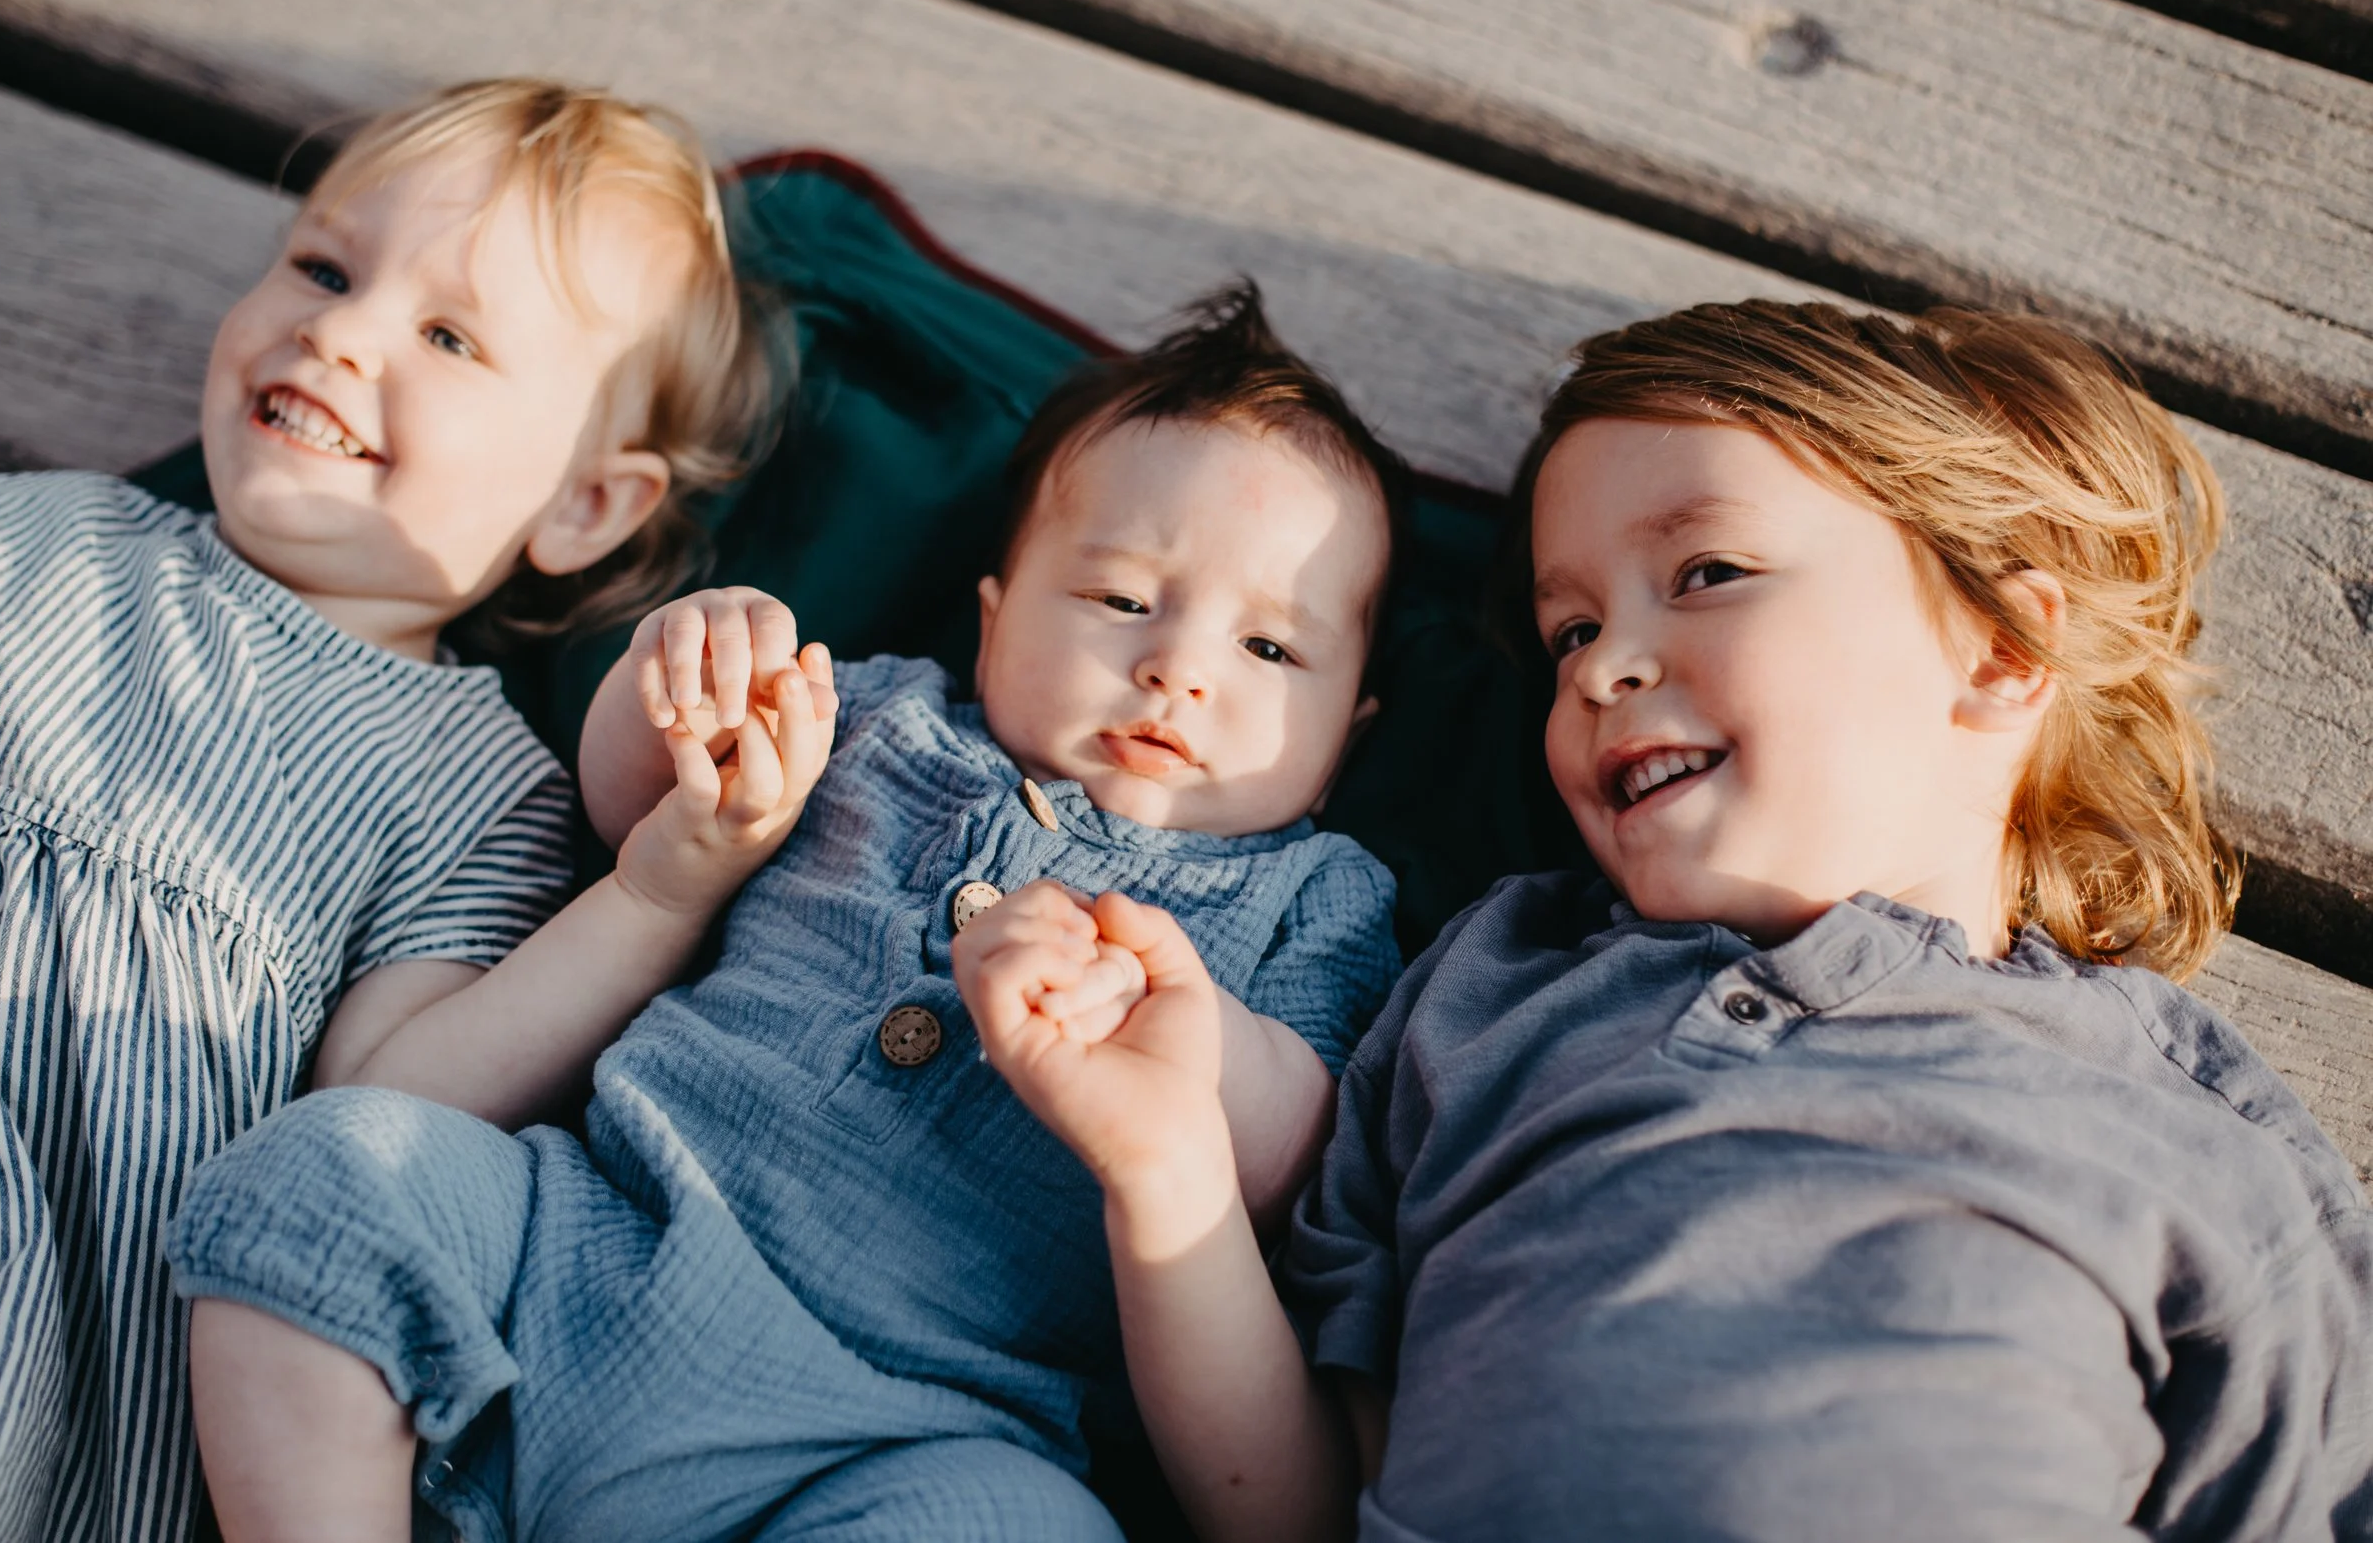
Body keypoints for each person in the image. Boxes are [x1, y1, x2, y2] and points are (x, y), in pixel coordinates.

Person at [998, 301, 2373, 1541]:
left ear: (2003, 645)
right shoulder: (1484, 994)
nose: (1605, 663)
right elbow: (1302, 1501)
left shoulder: (2163, 1114)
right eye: (1566, 632)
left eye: (1707, 570)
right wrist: (1167, 1168)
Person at [165, 282, 1409, 1543]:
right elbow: (627, 807)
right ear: (995, 618)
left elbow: (1299, 1148)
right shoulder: (871, 718)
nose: (1178, 664)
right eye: (1122, 598)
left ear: (1347, 732)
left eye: (1270, 651)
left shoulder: (1315, 898)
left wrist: (1182, 1032)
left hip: (904, 1434)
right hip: (575, 1247)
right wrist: (680, 675)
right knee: (329, 1164)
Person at [0, 78, 786, 1543]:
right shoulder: (9, 532)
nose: (339, 330)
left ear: (582, 507)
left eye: (448, 336)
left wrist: (657, 894)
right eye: (321, 264)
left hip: (26, 1294)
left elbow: (397, 1085)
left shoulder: (474, 785)